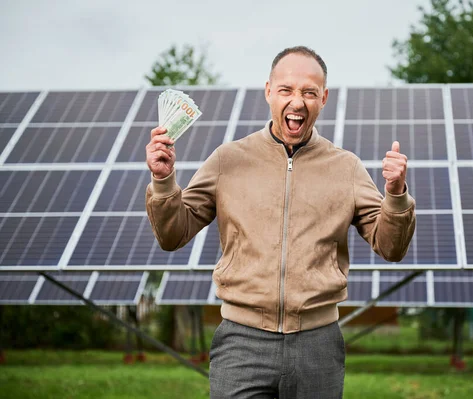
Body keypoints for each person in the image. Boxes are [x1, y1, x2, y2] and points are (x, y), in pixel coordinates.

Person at [145, 46, 416, 399]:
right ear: (269, 91)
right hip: (241, 343)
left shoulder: (346, 168)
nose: (298, 102)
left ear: (324, 98)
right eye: (287, 90)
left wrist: (395, 195)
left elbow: (391, 247)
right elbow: (172, 235)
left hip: (318, 345)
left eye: (309, 92)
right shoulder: (228, 160)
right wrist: (163, 181)